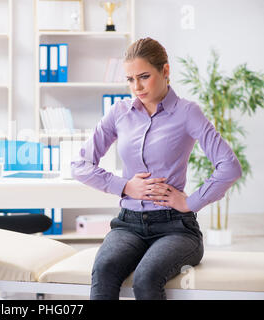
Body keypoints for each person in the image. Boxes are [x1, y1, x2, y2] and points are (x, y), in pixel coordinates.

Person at [71, 37, 242, 300]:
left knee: (146, 278)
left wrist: (191, 202)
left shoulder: (187, 112)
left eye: (143, 76)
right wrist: (125, 186)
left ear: (165, 71)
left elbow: (229, 166)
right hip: (128, 225)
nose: (136, 86)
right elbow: (79, 165)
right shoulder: (119, 112)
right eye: (130, 79)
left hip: (176, 228)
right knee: (104, 269)